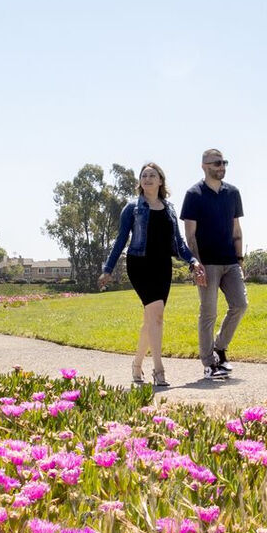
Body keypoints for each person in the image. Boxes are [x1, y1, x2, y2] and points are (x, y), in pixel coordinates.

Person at [98, 162, 193, 389]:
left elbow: (179, 242)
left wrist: (193, 260)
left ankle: (136, 364)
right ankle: (159, 370)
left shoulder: (169, 209)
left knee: (150, 320)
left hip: (163, 266)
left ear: (160, 181)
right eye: (144, 176)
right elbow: (120, 240)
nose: (148, 179)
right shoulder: (132, 208)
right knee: (157, 315)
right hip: (139, 265)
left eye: (152, 175)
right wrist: (108, 269)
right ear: (140, 182)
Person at [181, 147, 246, 379]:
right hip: (207, 264)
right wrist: (196, 265)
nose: (221, 166)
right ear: (204, 166)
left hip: (230, 261)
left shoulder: (233, 193)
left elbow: (236, 229)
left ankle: (219, 347)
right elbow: (190, 236)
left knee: (240, 305)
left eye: (224, 162)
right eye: (217, 163)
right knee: (208, 313)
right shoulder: (194, 194)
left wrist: (240, 259)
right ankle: (209, 364)